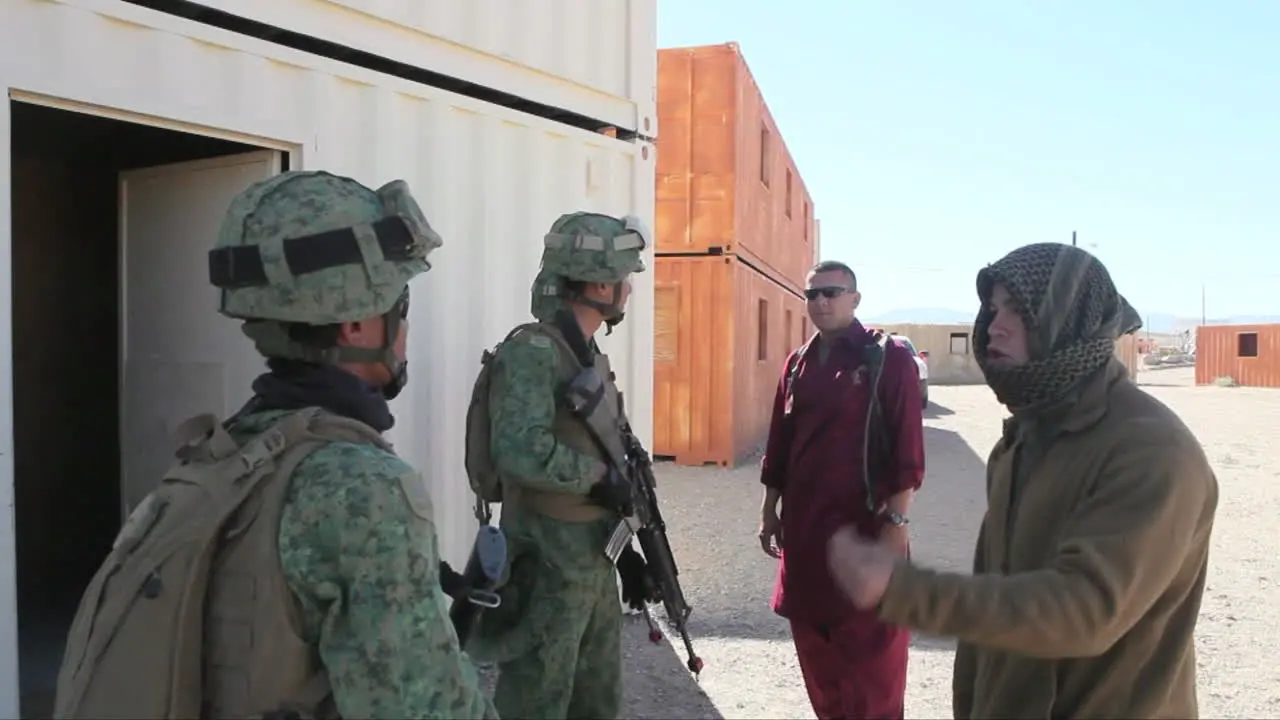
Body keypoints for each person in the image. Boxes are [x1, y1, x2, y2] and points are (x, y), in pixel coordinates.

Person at [826, 242, 1219, 719]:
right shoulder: (1024, 439)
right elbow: (998, 605)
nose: (995, 326)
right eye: (993, 309)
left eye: (1020, 310)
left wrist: (905, 591)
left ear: (1070, 318)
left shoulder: (1152, 453)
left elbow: (1083, 612)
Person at [467, 212, 657, 719]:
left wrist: (630, 551)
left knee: (596, 701)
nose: (629, 291)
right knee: (537, 699)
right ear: (600, 283)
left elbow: (604, 453)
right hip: (546, 558)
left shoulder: (588, 356)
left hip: (592, 558)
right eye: (625, 278)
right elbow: (519, 448)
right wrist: (598, 479)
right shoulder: (533, 352)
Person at [757, 260, 925, 719]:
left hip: (867, 532)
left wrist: (897, 524)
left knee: (874, 669)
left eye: (832, 292)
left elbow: (908, 448)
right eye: (813, 294)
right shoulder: (798, 364)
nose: (822, 302)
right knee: (820, 663)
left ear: (855, 299)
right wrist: (770, 509)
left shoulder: (887, 358)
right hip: (808, 538)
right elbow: (780, 443)